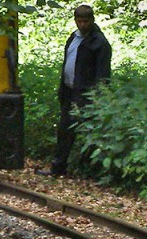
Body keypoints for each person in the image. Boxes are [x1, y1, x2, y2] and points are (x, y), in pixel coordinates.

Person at [38, 5, 111, 177]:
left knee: (87, 133)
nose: (83, 25)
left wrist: (97, 97)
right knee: (64, 130)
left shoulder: (99, 43)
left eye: (86, 21)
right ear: (75, 20)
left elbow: (103, 74)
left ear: (92, 20)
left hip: (86, 95)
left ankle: (89, 171)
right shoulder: (73, 38)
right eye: (79, 21)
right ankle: (58, 167)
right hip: (69, 92)